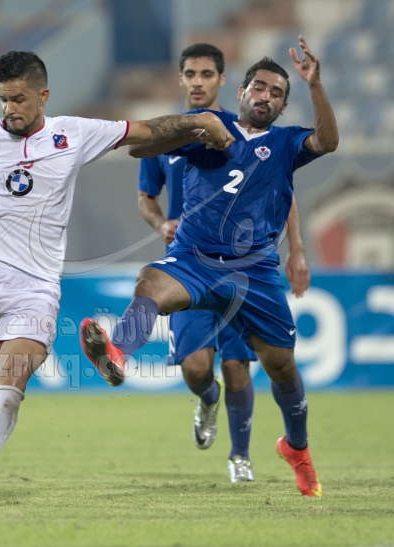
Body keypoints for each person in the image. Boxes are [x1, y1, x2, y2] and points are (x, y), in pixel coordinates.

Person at [0, 50, 234, 505]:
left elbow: (145, 130)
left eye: (18, 99)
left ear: (43, 96)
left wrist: (200, 121)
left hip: (36, 288)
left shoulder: (73, 134)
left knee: (10, 390)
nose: (9, 108)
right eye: (3, 99)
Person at [81, 37, 338, 497]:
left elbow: (329, 141)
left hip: (253, 272)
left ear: (283, 107)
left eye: (276, 93)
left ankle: (296, 448)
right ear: (241, 91)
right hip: (195, 259)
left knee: (281, 368)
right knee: (150, 282)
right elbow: (141, 151)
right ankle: (117, 353)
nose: (265, 96)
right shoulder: (209, 128)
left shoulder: (286, 142)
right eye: (258, 87)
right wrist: (195, 124)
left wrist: (315, 86)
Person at [137, 43, 311, 483]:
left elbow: (282, 191)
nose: (197, 82)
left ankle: (240, 457)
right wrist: (160, 223)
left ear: (223, 81)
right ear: (181, 79)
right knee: (196, 368)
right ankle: (206, 398)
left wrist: (297, 248)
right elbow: (145, 195)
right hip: (192, 260)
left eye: (206, 74)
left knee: (238, 364)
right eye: (190, 74)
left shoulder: (247, 130)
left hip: (244, 265)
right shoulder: (174, 133)